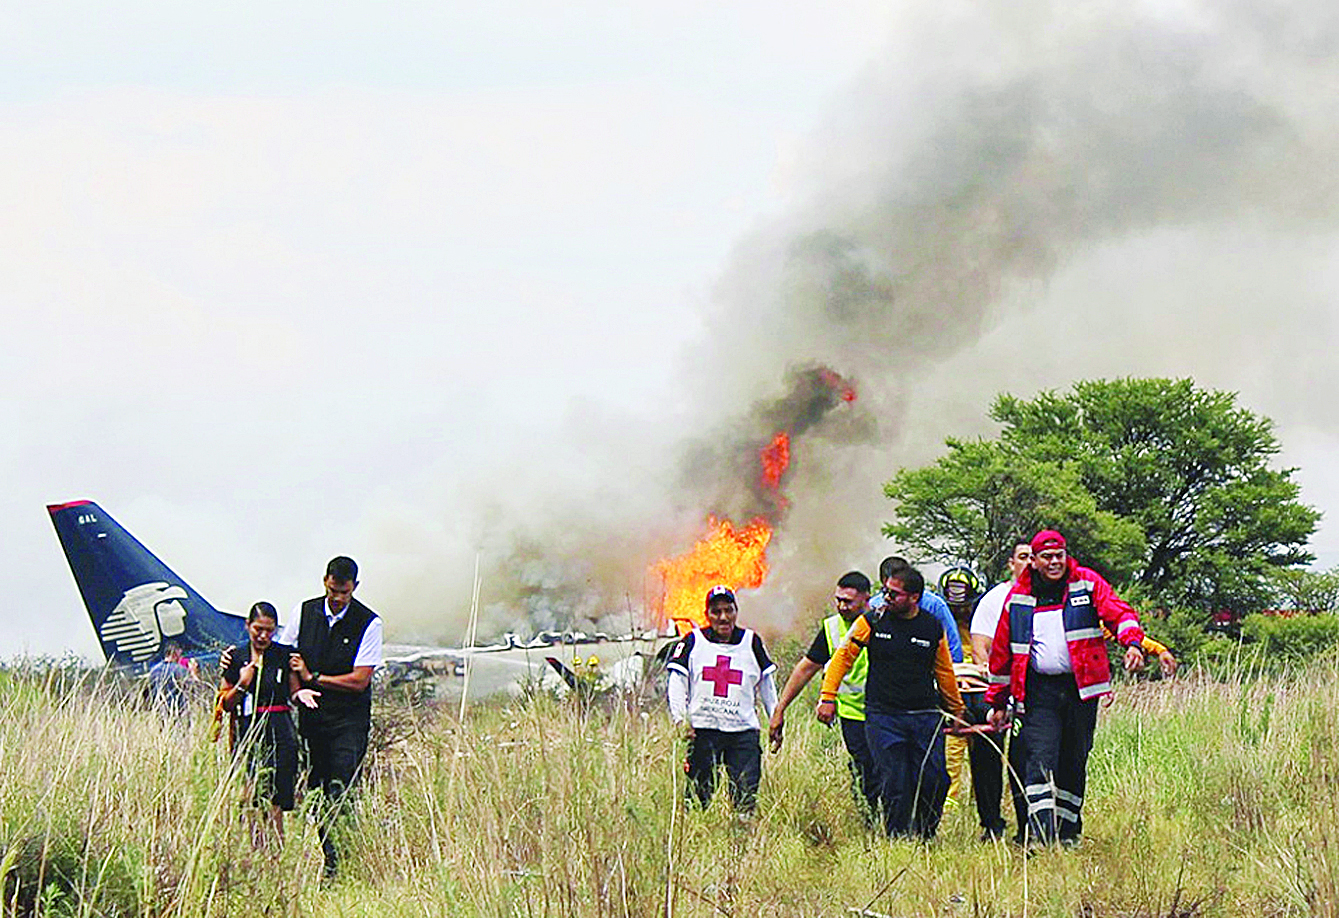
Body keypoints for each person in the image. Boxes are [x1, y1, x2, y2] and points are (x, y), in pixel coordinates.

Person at [985, 530, 1146, 847]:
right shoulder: (1017, 598)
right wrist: (997, 701)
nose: (1054, 562)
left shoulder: (1087, 583)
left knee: (1074, 760)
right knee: (1039, 760)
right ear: (1034, 560)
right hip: (1038, 692)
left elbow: (1119, 613)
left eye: (1059, 555)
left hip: (1080, 690)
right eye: (1047, 556)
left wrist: (1133, 643)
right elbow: (1002, 653)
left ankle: (1068, 834)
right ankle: (1041, 839)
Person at [818, 566, 963, 840]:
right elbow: (841, 658)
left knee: (936, 779)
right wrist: (828, 696)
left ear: (914, 597)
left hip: (924, 715)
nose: (886, 598)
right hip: (883, 716)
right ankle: (897, 838)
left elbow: (944, 671)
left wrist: (956, 710)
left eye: (894, 594)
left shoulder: (932, 626)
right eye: (885, 591)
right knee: (895, 780)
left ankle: (924, 834)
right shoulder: (873, 621)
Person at [279, 556, 383, 879]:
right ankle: (328, 858)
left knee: (341, 789)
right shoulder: (305, 612)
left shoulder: (369, 623)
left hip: (348, 723)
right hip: (312, 720)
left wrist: (316, 678)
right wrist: (298, 691)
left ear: (355, 588)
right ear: (325, 581)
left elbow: (359, 679)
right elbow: (288, 657)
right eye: (334, 589)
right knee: (317, 791)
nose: (338, 597)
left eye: (344, 592)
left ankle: (341, 863)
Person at [768, 572, 880, 824]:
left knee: (888, 770)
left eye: (849, 601)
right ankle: (871, 822)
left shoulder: (881, 624)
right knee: (864, 771)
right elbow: (806, 668)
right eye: (839, 600)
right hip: (852, 714)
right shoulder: (831, 627)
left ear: (866, 599)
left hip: (884, 713)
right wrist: (780, 708)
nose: (842, 606)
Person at [667, 585, 778, 812]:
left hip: (743, 733)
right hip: (704, 730)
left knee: (745, 795)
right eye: (716, 612)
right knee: (698, 798)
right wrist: (680, 720)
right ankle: (697, 840)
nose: (723, 617)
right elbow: (677, 681)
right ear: (707, 614)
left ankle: (743, 842)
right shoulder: (693, 641)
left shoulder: (751, 642)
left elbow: (767, 684)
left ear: (736, 611)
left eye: (728, 610)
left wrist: (775, 718)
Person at [220, 602, 320, 845]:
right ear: (247, 626)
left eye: (269, 630)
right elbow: (225, 702)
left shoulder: (284, 655)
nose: (263, 636)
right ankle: (255, 849)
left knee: (276, 797)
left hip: (279, 729)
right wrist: (242, 684)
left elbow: (294, 691)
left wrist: (301, 695)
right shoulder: (235, 657)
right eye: (258, 629)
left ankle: (276, 852)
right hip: (248, 730)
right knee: (252, 793)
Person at [968, 541, 1035, 842]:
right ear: (1011, 563)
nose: (1029, 563)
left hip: (1034, 692)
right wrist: (997, 687)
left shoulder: (1050, 597)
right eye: (1023, 557)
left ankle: (1028, 827)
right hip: (996, 689)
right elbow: (980, 646)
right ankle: (991, 823)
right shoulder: (994, 599)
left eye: (1034, 557)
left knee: (1024, 759)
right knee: (986, 752)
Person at [937, 566, 986, 810]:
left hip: (981, 692)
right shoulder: (939, 622)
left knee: (985, 748)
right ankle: (950, 803)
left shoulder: (984, 619)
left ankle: (985, 800)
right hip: (952, 692)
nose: (959, 610)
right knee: (953, 748)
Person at [870, 556, 963, 663]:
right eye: (886, 590)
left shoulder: (934, 605)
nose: (888, 597)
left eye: (895, 593)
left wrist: (954, 671)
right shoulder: (875, 606)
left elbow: (952, 644)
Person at [146, 641, 199, 714]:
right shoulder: (179, 670)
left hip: (160, 711)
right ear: (174, 653)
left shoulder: (153, 671)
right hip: (177, 710)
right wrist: (193, 672)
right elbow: (194, 688)